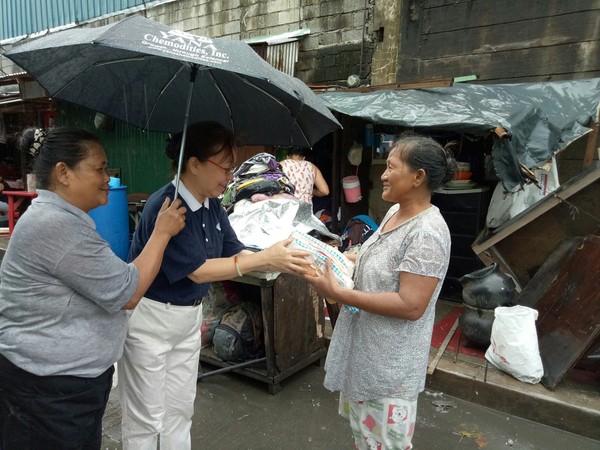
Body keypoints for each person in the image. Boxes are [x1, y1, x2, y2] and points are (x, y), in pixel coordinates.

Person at [119, 121, 312, 449]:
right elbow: (199, 271)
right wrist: (263, 258)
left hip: (187, 319)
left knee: (180, 409)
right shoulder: (167, 207)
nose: (230, 176)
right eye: (225, 166)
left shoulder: (211, 205)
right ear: (193, 164)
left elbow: (234, 251)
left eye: (232, 167)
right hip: (151, 322)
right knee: (146, 416)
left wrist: (280, 254)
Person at [0, 127, 186, 450]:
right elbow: (128, 291)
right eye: (99, 169)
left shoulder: (61, 219)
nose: (107, 178)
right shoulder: (56, 225)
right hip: (49, 395)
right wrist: (162, 233)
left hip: (64, 389)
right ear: (64, 173)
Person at [304, 134, 457, 449]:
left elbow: (410, 304)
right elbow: (384, 263)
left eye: (391, 167)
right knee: (365, 441)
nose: (383, 175)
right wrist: (345, 258)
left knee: (385, 444)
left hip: (389, 372)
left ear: (418, 177)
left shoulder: (426, 232)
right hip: (366, 358)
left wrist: (340, 293)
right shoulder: (395, 213)